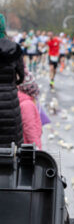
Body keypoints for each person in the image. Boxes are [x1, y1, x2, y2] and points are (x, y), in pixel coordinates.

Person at [0, 13, 25, 147]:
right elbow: (21, 76)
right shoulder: (14, 48)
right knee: (12, 147)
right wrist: (12, 84)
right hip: (10, 103)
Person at [18, 68, 42, 149]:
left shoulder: (23, 100)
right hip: (28, 148)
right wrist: (37, 148)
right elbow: (30, 129)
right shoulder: (27, 104)